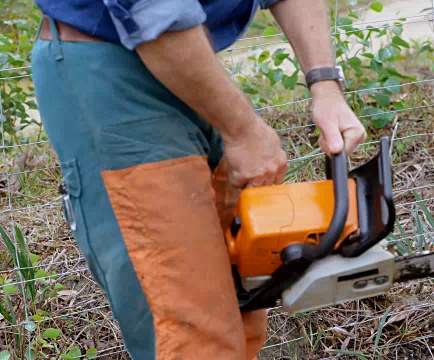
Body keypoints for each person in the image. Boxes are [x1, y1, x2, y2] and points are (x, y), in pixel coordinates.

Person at [30, 0, 366, 359]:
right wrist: (244, 132)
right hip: (116, 66)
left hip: (190, 62)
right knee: (191, 330)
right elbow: (156, 10)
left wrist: (325, 84)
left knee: (242, 305)